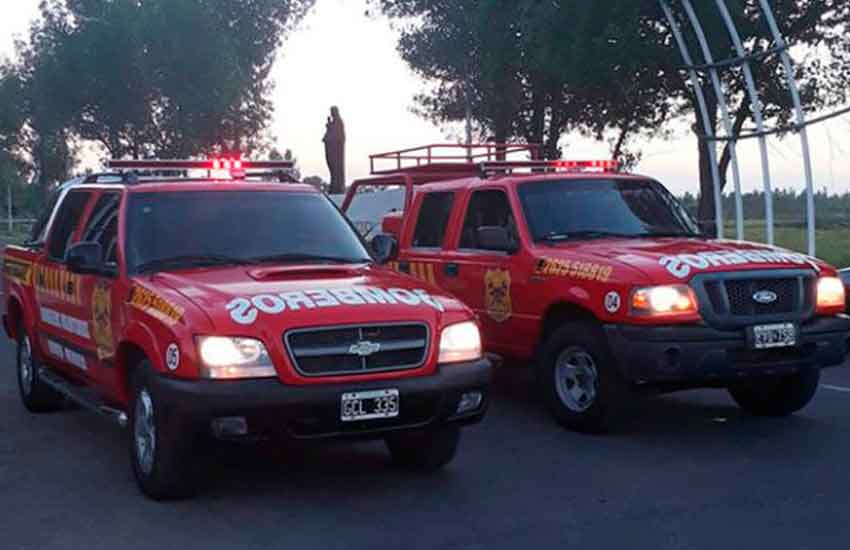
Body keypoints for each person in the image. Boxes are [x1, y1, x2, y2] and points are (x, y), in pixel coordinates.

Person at [323, 106, 346, 194]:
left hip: (336, 152)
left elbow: (339, 137)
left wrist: (329, 127)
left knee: (336, 169)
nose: (331, 113)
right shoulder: (334, 123)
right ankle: (334, 185)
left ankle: (337, 186)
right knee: (332, 167)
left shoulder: (339, 122)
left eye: (333, 111)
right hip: (331, 149)